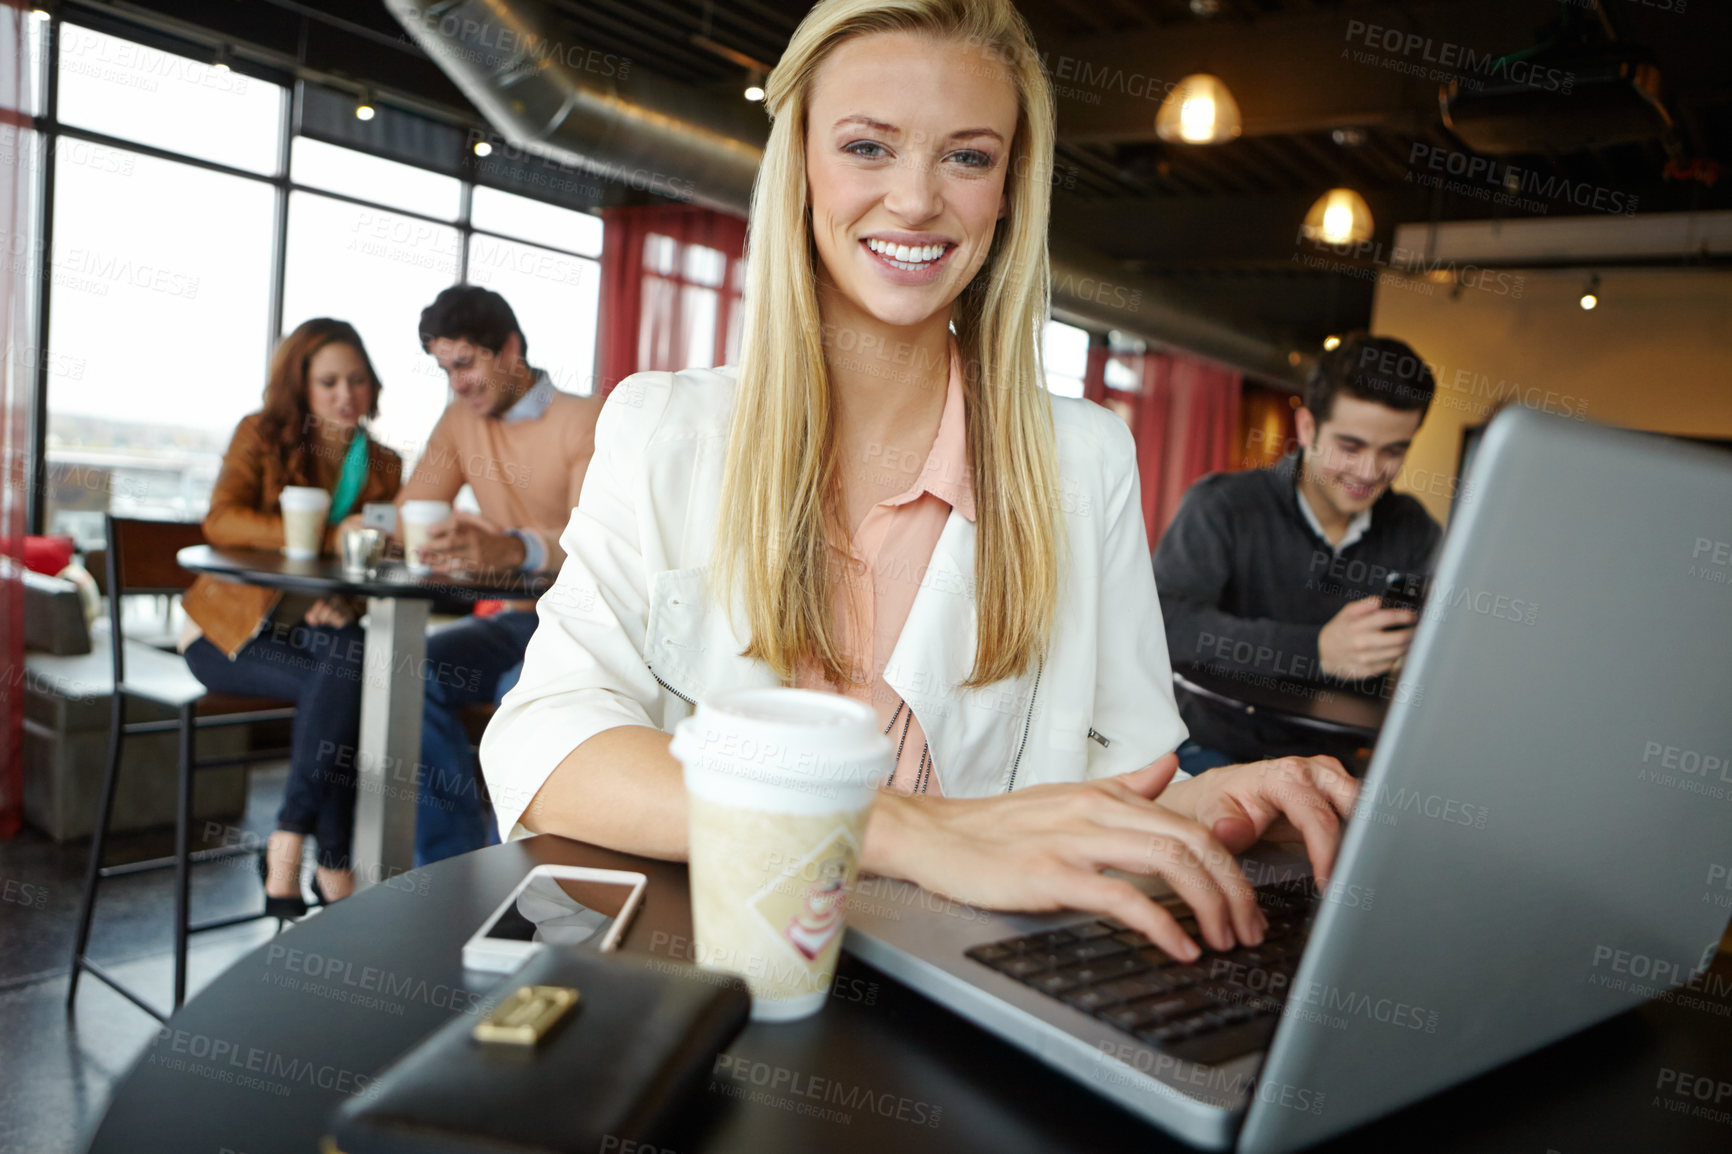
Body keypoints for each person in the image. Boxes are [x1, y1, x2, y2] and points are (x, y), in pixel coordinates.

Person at [480, 0, 1358, 962]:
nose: (914, 201)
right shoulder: (665, 426)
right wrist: (900, 830)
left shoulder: (1085, 457)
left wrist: (1218, 805)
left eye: (968, 157)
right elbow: (546, 748)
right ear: (802, 161)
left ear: (1008, 191)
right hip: (710, 982)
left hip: (966, 1007)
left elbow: (1114, 791)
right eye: (868, 146)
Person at [181, 318, 402, 914]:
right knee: (343, 683)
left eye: (357, 380)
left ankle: (290, 845)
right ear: (300, 386)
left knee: (348, 660)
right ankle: (327, 861)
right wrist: (327, 538)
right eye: (328, 381)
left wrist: (347, 600)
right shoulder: (260, 436)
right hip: (229, 632)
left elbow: (376, 557)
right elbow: (222, 522)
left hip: (317, 635)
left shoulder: (383, 464)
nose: (345, 395)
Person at [1153, 333, 1444, 773]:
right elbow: (1166, 625)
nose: (1369, 472)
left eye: (1393, 451)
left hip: (1339, 764)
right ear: (1307, 428)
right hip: (1213, 751)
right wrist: (1316, 651)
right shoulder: (1223, 506)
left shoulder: (1413, 528)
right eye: (1350, 446)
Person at [396, 285, 602, 865]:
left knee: (525, 695)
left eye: (465, 364)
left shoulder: (585, 420)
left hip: (572, 628)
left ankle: (503, 880)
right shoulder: (462, 418)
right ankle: (447, 866)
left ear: (509, 349)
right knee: (407, 671)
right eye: (445, 370)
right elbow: (412, 507)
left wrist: (511, 548)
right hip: (515, 622)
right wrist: (432, 535)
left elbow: (594, 545)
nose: (457, 382)